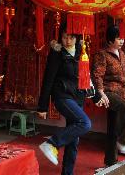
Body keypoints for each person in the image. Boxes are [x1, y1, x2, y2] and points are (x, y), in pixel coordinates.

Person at [37, 23, 91, 175]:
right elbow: (48, 79)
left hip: (78, 96)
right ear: (61, 37)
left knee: (74, 140)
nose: (68, 40)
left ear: (77, 38)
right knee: (85, 123)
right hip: (62, 95)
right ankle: (51, 143)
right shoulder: (57, 53)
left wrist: (98, 96)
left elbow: (87, 76)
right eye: (65, 36)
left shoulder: (82, 51)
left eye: (71, 37)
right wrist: (42, 106)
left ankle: (67, 173)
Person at [91, 24, 125, 167]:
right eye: (118, 38)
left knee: (113, 126)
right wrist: (101, 93)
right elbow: (97, 75)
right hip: (108, 92)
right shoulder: (101, 54)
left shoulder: (122, 54)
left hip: (120, 92)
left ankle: (110, 161)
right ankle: (123, 142)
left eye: (122, 38)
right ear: (110, 41)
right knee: (124, 107)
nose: (121, 41)